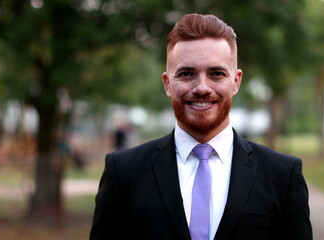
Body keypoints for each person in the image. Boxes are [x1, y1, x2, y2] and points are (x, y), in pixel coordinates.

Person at [90, 13, 312, 240]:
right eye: (187, 74)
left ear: (236, 81)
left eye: (216, 74)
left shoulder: (282, 175)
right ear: (167, 84)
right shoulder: (124, 173)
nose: (202, 87)